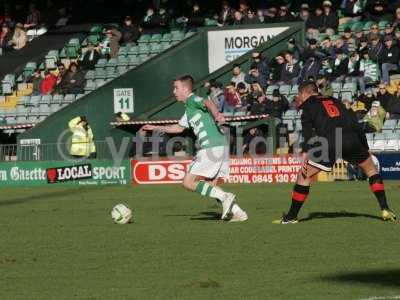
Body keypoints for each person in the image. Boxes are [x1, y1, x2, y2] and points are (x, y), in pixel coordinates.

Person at [273, 81, 396, 224]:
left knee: (303, 176)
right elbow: (354, 123)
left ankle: (291, 217)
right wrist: (364, 145)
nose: (299, 97)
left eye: (299, 94)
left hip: (329, 143)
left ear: (305, 92)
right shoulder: (335, 100)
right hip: (352, 139)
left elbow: (308, 134)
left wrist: (308, 150)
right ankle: (385, 208)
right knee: (371, 170)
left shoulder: (308, 106)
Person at [142, 75, 248, 222]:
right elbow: (178, 128)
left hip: (211, 147)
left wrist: (217, 115)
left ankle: (226, 197)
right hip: (219, 146)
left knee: (188, 182)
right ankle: (238, 212)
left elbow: (208, 103)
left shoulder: (192, 99)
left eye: (176, 88)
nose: (174, 91)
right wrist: (155, 127)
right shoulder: (189, 109)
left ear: (185, 89)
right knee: (211, 187)